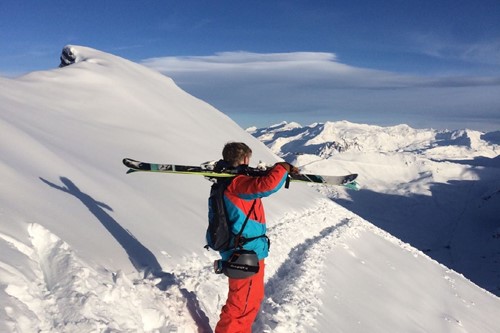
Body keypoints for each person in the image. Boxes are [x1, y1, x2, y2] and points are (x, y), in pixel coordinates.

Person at [213, 142, 298, 333]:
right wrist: (282, 167)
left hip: (246, 249)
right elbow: (267, 186)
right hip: (244, 252)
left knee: (248, 301)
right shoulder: (237, 184)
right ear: (244, 159)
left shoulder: (233, 180)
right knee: (241, 306)